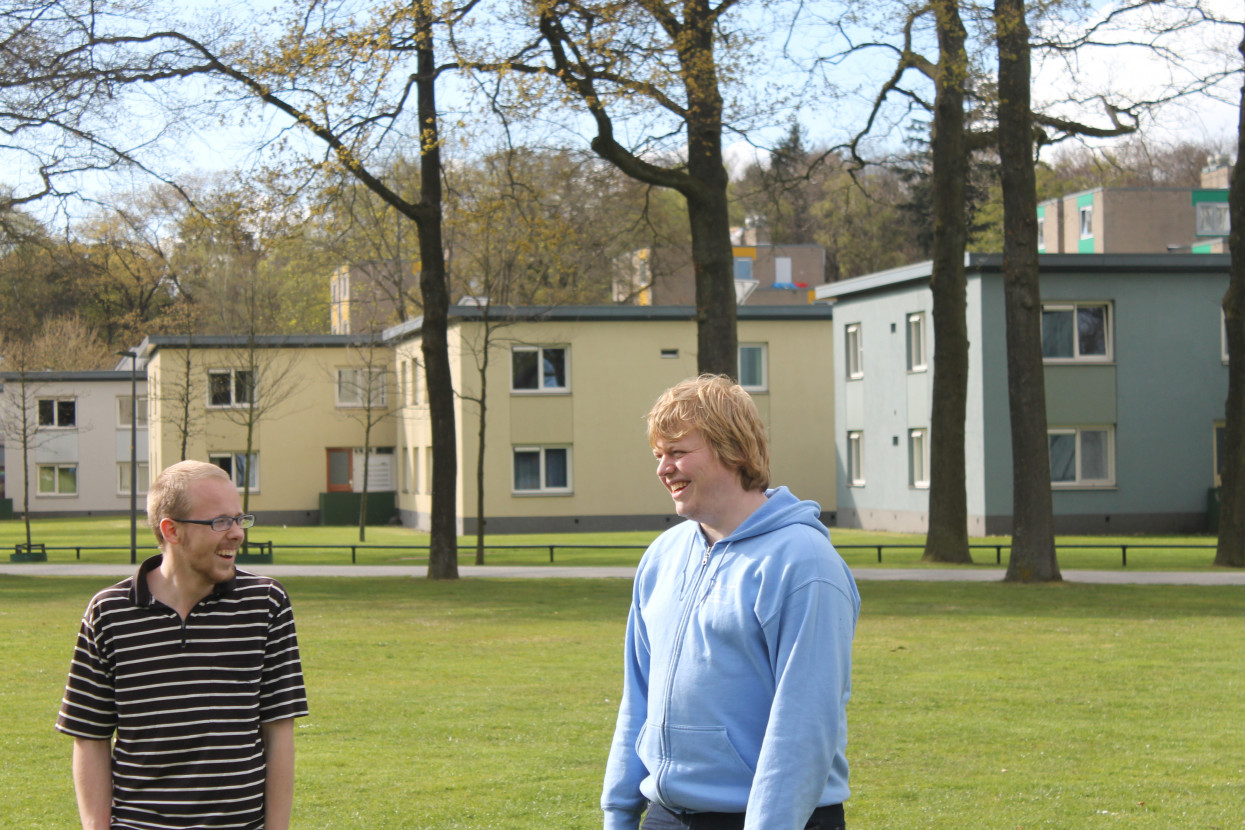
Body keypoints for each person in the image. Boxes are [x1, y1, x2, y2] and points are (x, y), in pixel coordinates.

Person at [602, 374, 860, 830]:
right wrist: (620, 812)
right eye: (659, 455)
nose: (664, 468)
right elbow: (636, 696)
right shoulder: (662, 556)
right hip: (666, 816)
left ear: (733, 449)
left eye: (679, 452)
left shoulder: (804, 563)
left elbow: (803, 726)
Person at [57, 460, 309, 830]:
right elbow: (90, 736)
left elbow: (278, 730)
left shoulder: (265, 603)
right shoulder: (108, 612)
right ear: (171, 530)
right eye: (220, 522)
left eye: (240, 519)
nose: (237, 534)